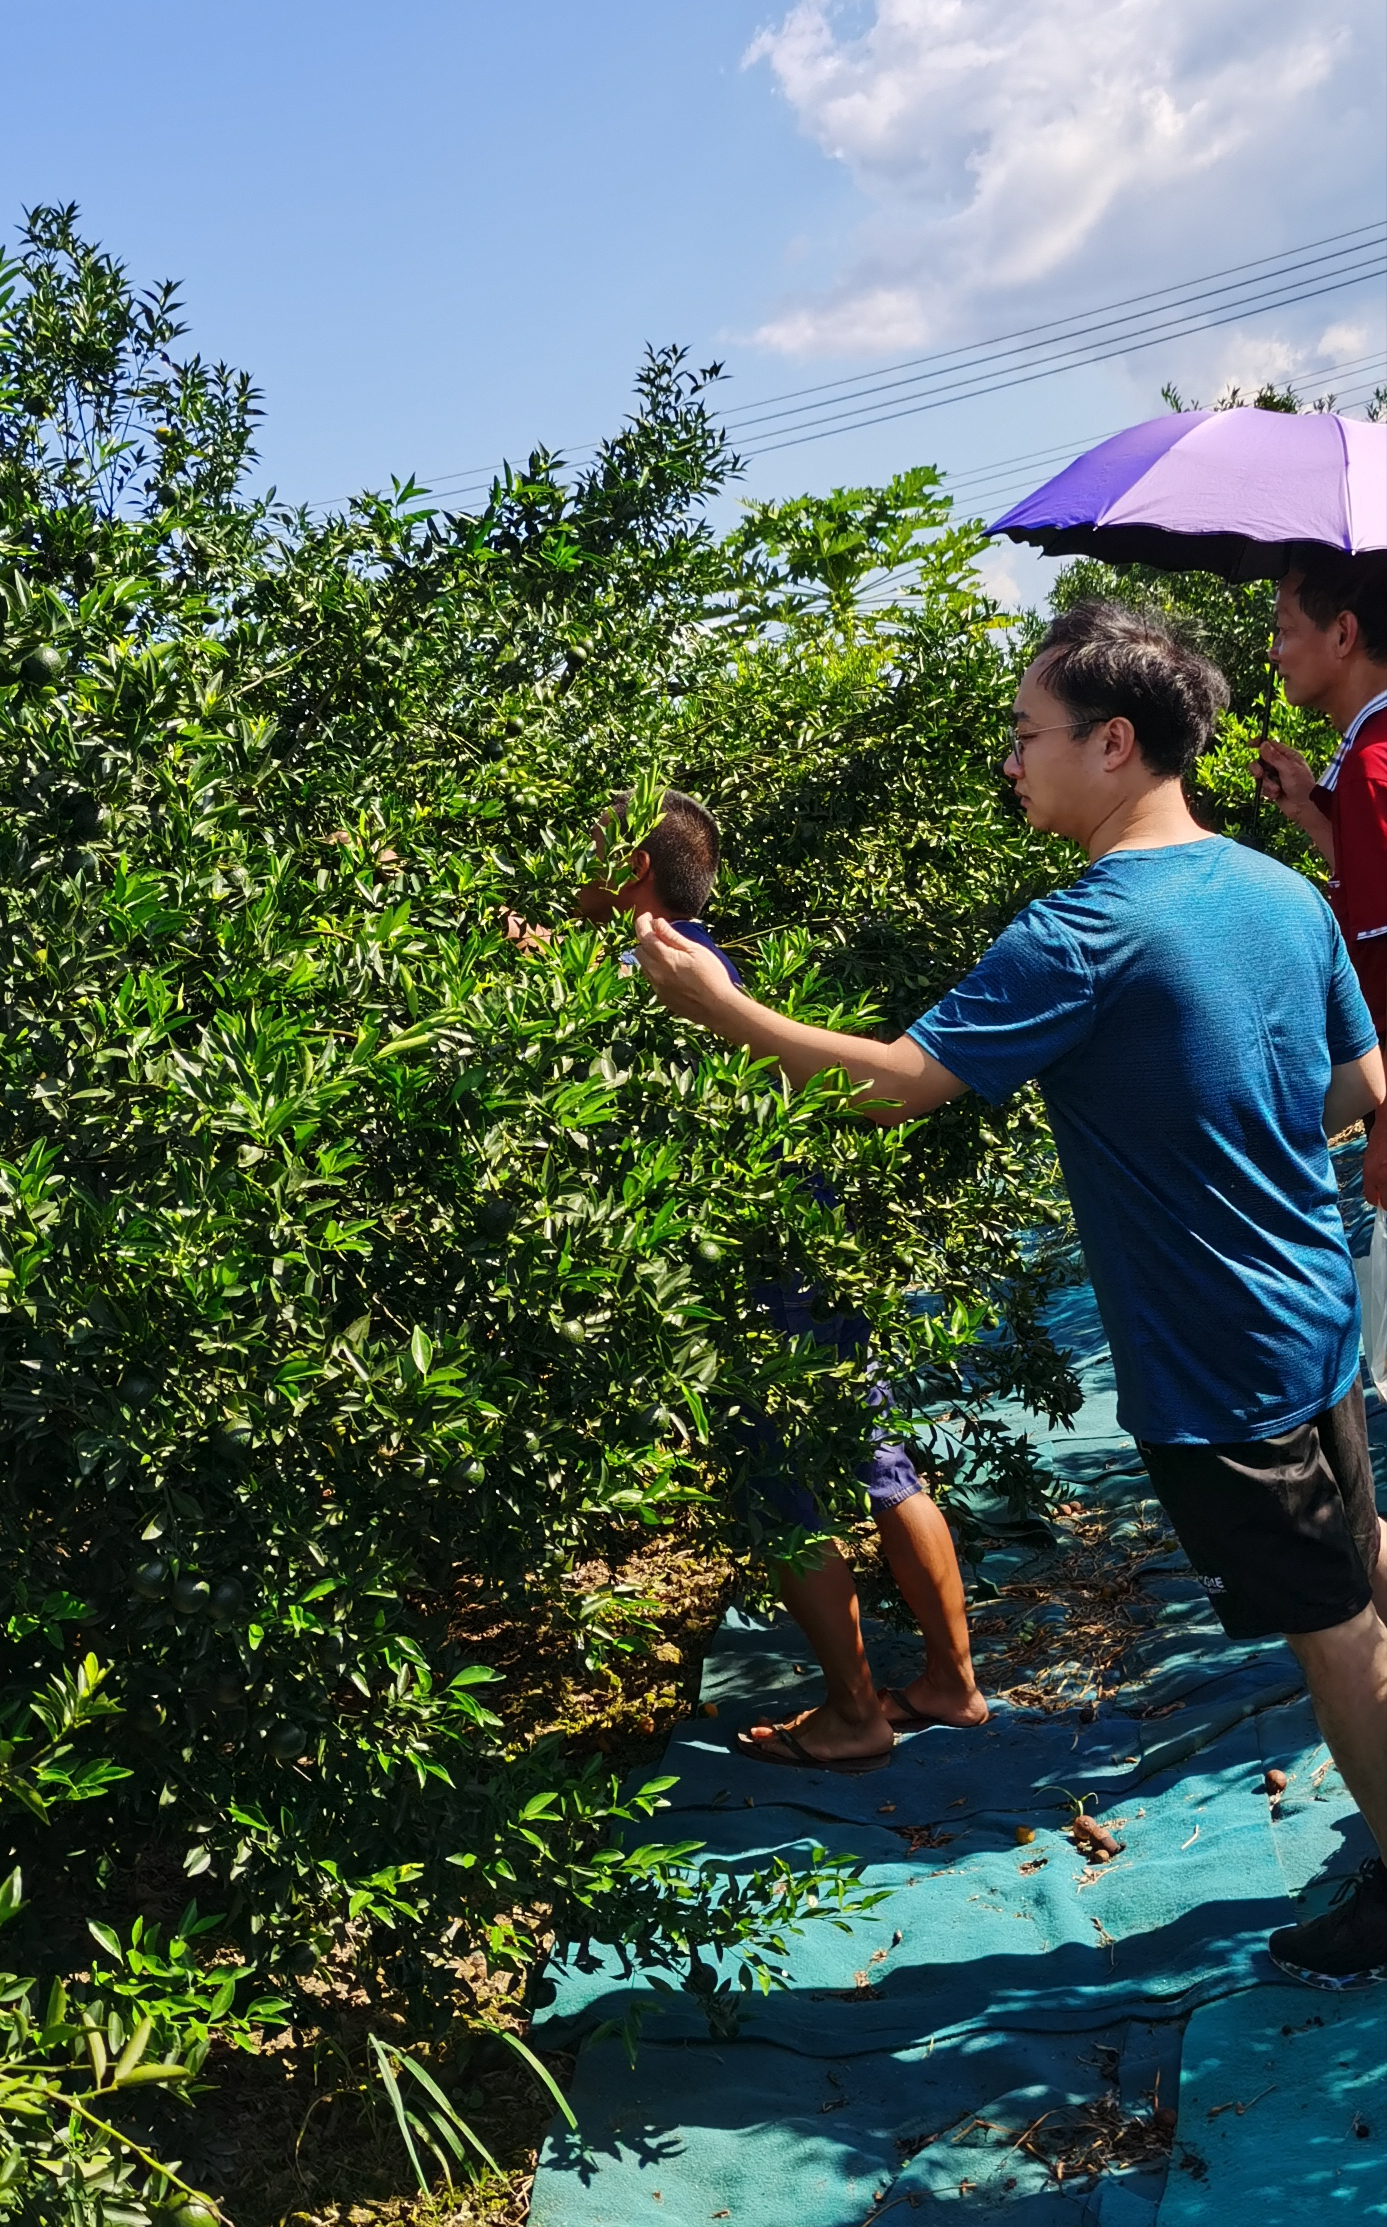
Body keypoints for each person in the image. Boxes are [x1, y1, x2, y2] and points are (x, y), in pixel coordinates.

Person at [630, 601, 1387, 1988]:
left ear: (1112, 744)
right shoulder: (1278, 890)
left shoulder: (1082, 931)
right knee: (1356, 1559)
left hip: (1217, 1355)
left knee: (1331, 1633)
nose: (1007, 762)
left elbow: (896, 1087)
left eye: (1024, 735)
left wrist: (717, 1010)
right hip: (1310, 1309)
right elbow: (1356, 1088)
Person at [577, 789, 987, 1770]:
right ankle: (952, 1683)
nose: (570, 866)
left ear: (635, 865)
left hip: (750, 1264)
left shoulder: (655, 966)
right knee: (878, 1455)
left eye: (588, 848)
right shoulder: (700, 953)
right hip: (805, 1235)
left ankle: (854, 1713)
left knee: (777, 1488)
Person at [1254, 550, 1387, 1201]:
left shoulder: (1372, 768)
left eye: (1281, 629)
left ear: (1341, 633)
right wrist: (1313, 812)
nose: (1273, 653)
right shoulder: (1367, 760)